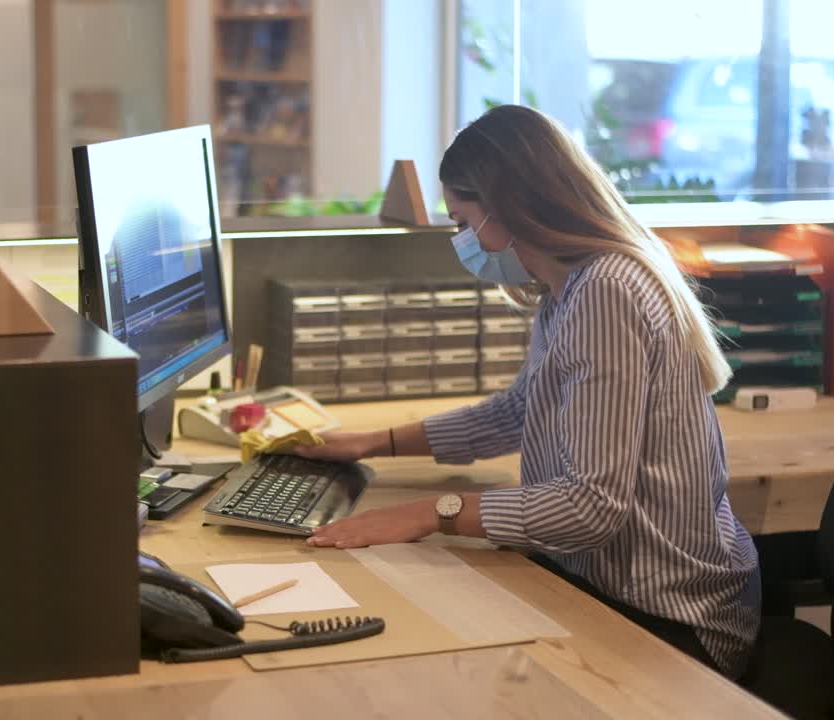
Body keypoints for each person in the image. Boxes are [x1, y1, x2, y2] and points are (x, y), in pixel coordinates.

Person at [298, 104, 760, 679]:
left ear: (509, 209)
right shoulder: (569, 286)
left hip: (670, 618)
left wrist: (429, 513)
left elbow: (589, 507)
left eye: (464, 222)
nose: (463, 240)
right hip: (614, 583)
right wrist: (369, 443)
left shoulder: (606, 293)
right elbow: (519, 411)